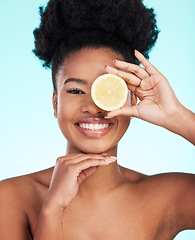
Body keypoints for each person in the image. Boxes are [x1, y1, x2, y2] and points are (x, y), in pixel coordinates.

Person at [0, 0, 195, 239]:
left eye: (109, 90)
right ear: (55, 103)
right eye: (75, 90)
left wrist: (177, 116)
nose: (94, 108)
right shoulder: (10, 198)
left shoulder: (167, 197)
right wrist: (52, 210)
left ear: (132, 100)